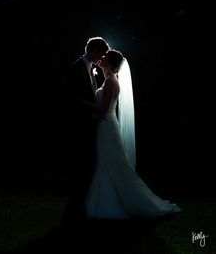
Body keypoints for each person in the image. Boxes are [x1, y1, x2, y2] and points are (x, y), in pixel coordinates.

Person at [81, 49, 182, 219]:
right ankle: (104, 200)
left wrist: (81, 102)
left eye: (105, 57)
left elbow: (103, 109)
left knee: (109, 163)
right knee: (106, 162)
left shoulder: (112, 82)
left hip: (106, 127)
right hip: (105, 126)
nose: (101, 58)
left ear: (111, 63)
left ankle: (113, 202)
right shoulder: (109, 80)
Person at [62, 36, 110, 221]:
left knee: (87, 167)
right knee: (81, 167)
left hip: (89, 125)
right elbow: (71, 98)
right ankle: (75, 208)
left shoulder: (90, 67)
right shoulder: (76, 68)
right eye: (101, 54)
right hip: (79, 125)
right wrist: (92, 113)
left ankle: (81, 205)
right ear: (92, 51)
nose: (102, 58)